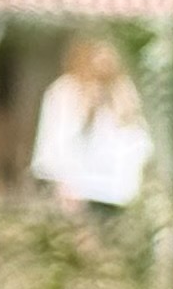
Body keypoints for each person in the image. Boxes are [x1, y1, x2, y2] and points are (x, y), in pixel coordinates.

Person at [25, 32, 150, 224]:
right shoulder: (64, 92)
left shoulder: (123, 92)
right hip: (74, 190)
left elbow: (137, 140)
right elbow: (54, 140)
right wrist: (63, 182)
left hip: (114, 192)